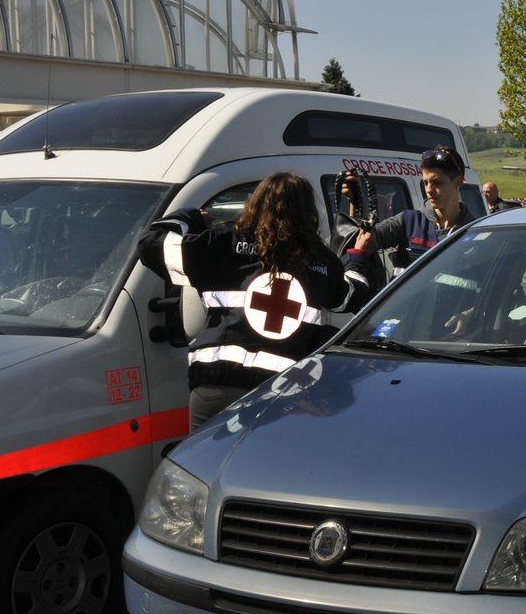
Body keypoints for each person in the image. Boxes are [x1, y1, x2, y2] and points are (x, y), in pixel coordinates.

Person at [140, 171, 374, 429]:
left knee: (200, 466)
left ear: (255, 203)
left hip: (215, 384)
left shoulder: (223, 241)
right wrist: (357, 257)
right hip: (277, 393)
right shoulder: (319, 259)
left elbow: (151, 242)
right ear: (308, 212)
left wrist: (191, 218)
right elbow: (350, 298)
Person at [357, 146, 475, 276]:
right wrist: (355, 203)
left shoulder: (476, 231)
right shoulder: (408, 221)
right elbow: (368, 237)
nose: (429, 189)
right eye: (425, 182)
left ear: (458, 182)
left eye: (437, 182)